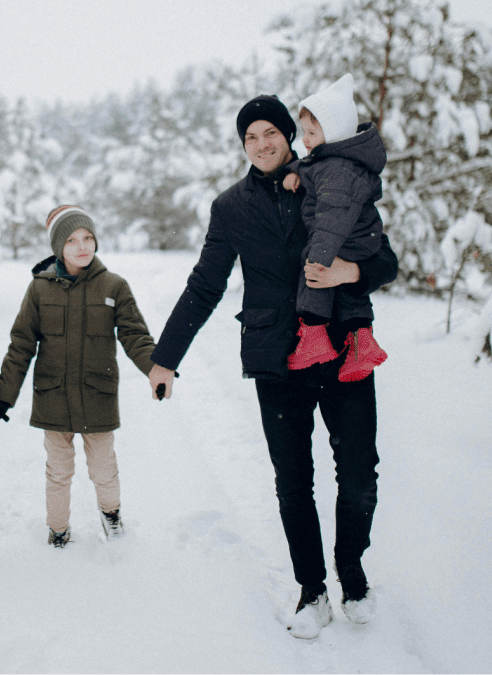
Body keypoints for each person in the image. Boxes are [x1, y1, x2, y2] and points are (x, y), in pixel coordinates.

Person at [147, 94, 398, 639]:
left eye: (270, 133)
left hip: (343, 349)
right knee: (294, 483)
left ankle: (352, 575)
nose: (261, 145)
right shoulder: (231, 207)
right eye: (249, 137)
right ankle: (312, 591)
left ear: (289, 135)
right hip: (276, 359)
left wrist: (348, 275)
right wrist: (165, 358)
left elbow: (386, 260)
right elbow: (205, 286)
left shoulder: (330, 179)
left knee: (359, 475)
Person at [0, 206, 157, 548]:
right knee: (58, 471)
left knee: (104, 468)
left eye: (88, 238)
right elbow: (21, 346)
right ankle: (58, 529)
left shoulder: (114, 286)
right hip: (53, 396)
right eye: (72, 239)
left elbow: (135, 336)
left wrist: (156, 367)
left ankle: (111, 515)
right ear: (58, 246)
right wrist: (3, 396)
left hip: (98, 393)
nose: (82, 246)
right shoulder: (39, 290)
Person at [280, 73, 388, 381]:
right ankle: (361, 341)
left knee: (314, 273)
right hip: (360, 238)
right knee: (346, 292)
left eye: (312, 132)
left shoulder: (338, 171)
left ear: (335, 132)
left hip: (343, 238)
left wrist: (319, 258)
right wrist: (296, 170)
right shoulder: (333, 162)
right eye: (304, 131)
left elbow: (331, 216)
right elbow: (313, 165)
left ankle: (314, 335)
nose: (305, 140)